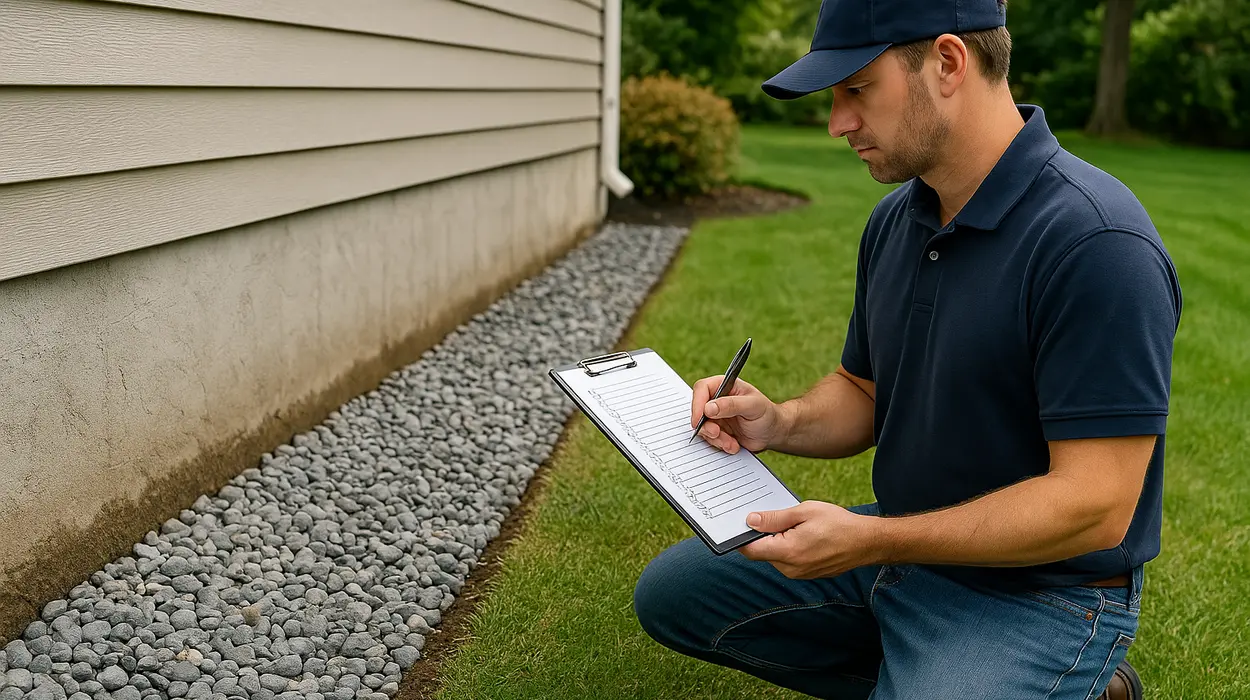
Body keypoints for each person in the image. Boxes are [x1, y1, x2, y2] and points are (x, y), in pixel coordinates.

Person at [630, 0, 1183, 698]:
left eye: (856, 89)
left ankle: (1066, 678)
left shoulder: (1096, 244)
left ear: (948, 63)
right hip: (904, 551)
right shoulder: (898, 217)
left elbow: (1095, 505)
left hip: (1042, 596)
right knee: (674, 594)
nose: (838, 123)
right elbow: (863, 391)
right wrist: (779, 423)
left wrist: (874, 540)